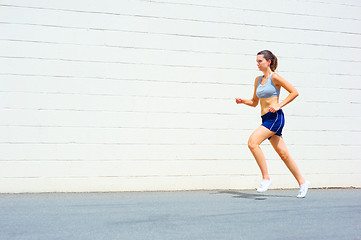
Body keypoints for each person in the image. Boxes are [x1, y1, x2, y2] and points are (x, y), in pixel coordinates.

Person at [235, 50, 310, 198]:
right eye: (256, 61)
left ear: (268, 62)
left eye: (260, 61)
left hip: (275, 117)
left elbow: (294, 92)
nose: (257, 64)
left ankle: (266, 178)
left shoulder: (275, 77)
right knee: (283, 154)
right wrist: (243, 101)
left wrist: (279, 105)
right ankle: (302, 182)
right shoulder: (257, 80)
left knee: (252, 142)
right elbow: (255, 102)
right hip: (265, 118)